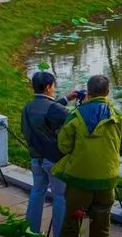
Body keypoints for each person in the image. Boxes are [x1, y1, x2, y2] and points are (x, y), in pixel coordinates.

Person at [53, 75, 122, 237]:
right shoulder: (119, 117)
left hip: (78, 179)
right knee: (102, 226)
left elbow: (63, 146)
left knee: (72, 224)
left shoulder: (76, 116)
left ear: (88, 92)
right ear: (108, 92)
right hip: (107, 179)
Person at [22, 71, 80, 235]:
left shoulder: (28, 107)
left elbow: (47, 110)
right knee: (60, 197)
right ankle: (59, 233)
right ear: (48, 87)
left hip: (36, 158)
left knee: (37, 192)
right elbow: (74, 119)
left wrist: (66, 98)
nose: (54, 89)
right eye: (53, 86)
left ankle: (31, 231)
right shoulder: (53, 108)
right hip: (54, 160)